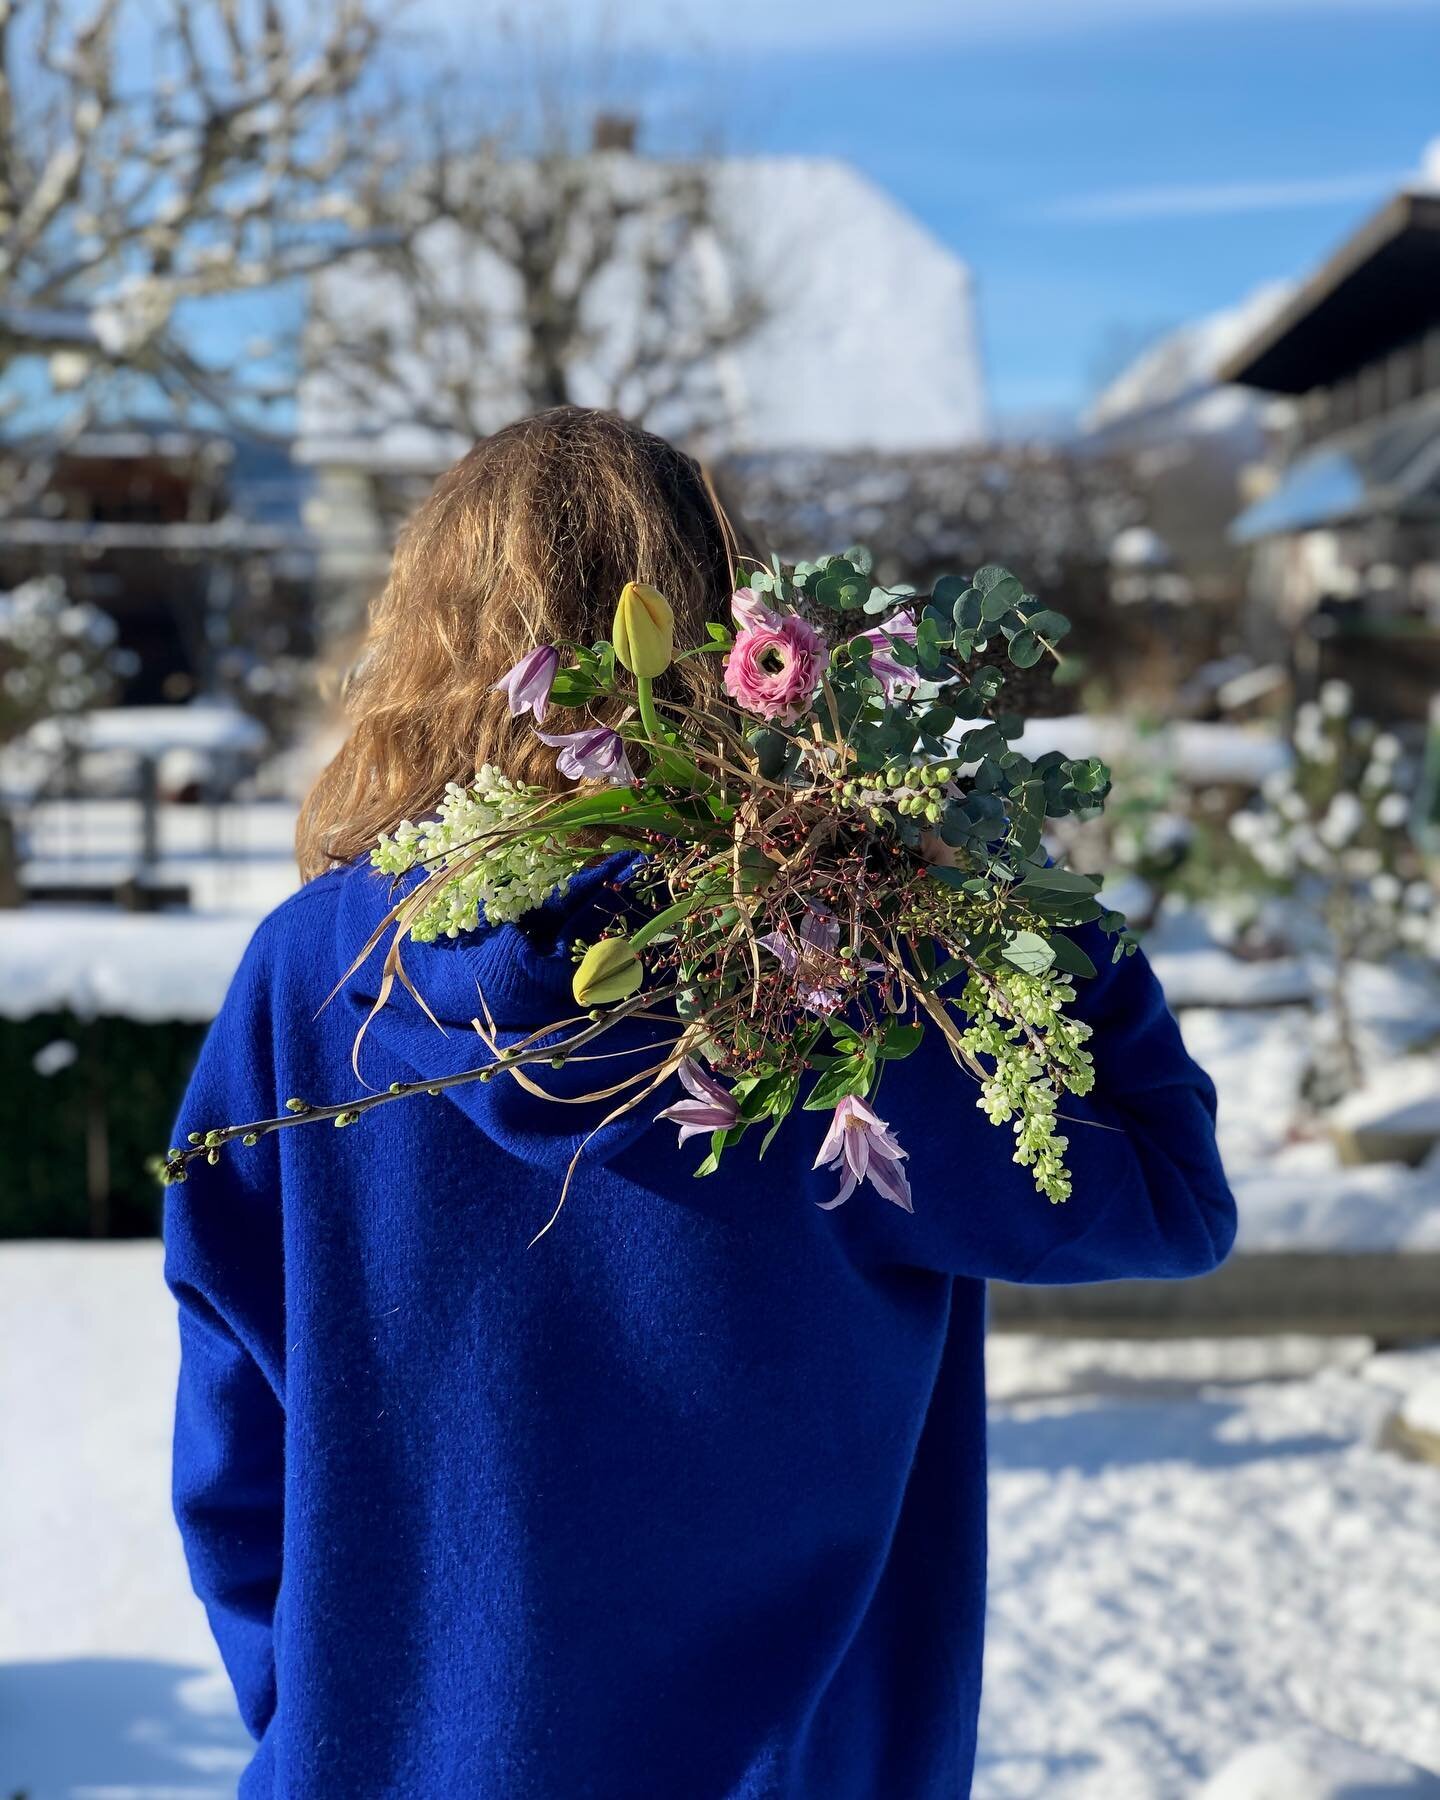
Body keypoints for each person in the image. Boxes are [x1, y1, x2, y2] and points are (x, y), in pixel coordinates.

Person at [165, 406, 1236, 1799]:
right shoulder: (847, 968)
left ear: (421, 641)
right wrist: (1009, 903)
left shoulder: (320, 978)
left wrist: (324, 1717)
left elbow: (235, 1429)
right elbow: (1170, 1195)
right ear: (729, 620)